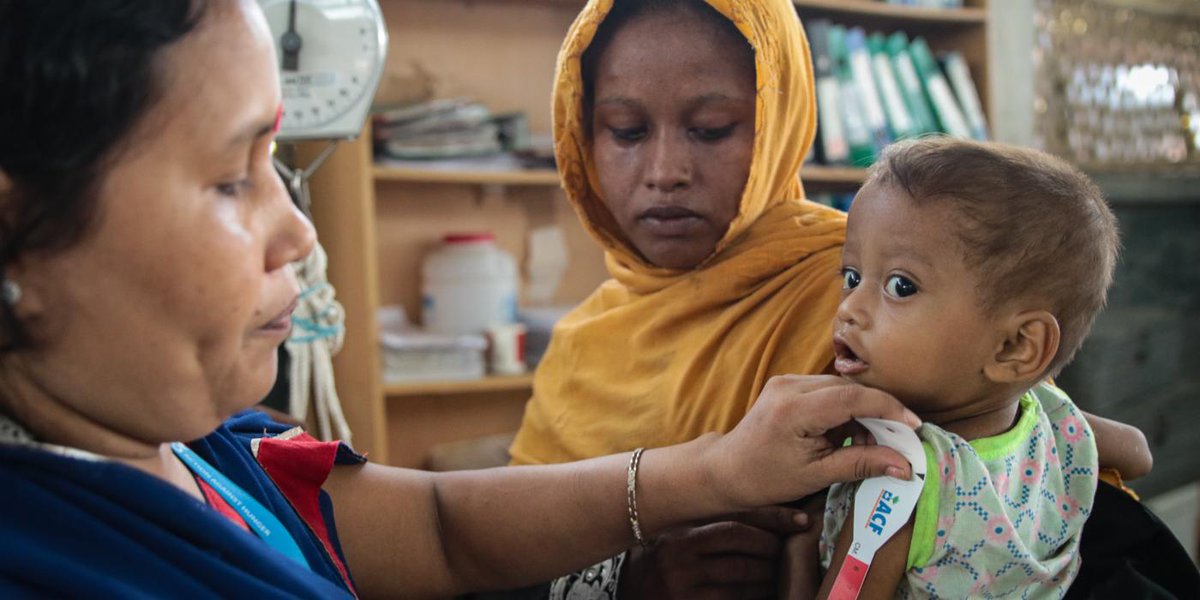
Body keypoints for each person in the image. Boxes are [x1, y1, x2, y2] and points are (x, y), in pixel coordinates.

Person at [0, 1, 925, 597]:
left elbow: (444, 529)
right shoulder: (46, 555)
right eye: (230, 180)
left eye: (713, 127)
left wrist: (715, 474)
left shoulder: (221, 454)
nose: (300, 233)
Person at [504, 1, 1153, 598]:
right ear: (580, 137)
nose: (665, 171)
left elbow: (1026, 458)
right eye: (625, 130)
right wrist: (624, 580)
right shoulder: (582, 341)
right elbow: (495, 553)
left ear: (781, 119)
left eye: (710, 129)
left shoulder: (892, 291)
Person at [779, 137, 1113, 598]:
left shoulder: (900, 481)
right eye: (852, 277)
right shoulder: (1057, 420)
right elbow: (1138, 452)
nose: (848, 309)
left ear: (1016, 346)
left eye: (900, 286)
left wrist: (796, 556)